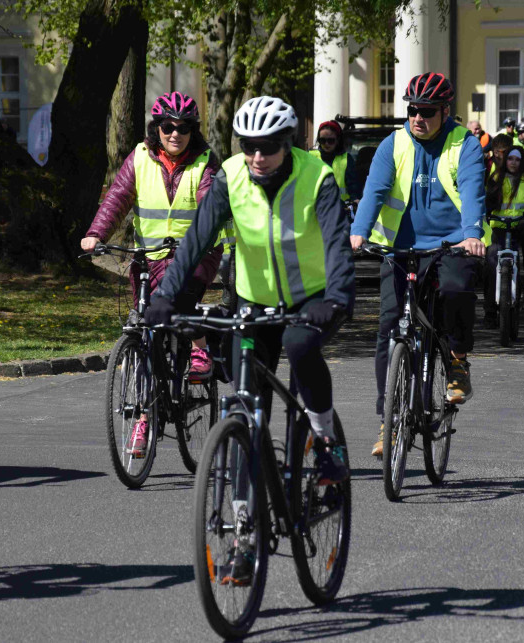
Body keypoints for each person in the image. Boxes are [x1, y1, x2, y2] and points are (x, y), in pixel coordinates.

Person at [144, 95, 353, 489]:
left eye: (269, 147)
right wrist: (165, 295)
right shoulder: (231, 176)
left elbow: (337, 245)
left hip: (312, 297)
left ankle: (326, 439)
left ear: (288, 142)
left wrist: (337, 298)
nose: (257, 156)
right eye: (248, 146)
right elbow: (196, 240)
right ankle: (248, 504)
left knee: (300, 347)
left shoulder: (316, 178)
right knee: (248, 398)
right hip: (253, 299)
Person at [349, 72, 487, 456]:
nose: (417, 118)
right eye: (412, 110)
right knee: (389, 331)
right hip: (399, 248)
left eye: (426, 111)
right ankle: (389, 423)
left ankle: (457, 359)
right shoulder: (393, 144)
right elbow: (374, 189)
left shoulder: (465, 145)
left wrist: (473, 234)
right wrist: (359, 231)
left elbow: (474, 190)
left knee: (458, 290)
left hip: (453, 245)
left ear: (445, 111)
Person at [81, 92, 221, 449]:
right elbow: (117, 198)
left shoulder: (205, 162)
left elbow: (209, 208)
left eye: (184, 128)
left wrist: (196, 243)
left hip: (196, 255)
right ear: (156, 128)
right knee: (145, 329)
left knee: (180, 302)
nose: (176, 134)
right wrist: (97, 234)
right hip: (150, 257)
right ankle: (145, 417)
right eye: (168, 126)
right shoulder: (140, 158)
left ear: (194, 132)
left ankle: (200, 348)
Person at [483, 146, 524, 325]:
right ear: (506, 161)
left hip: (522, 223)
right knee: (491, 262)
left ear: (523, 162)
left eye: (517, 160)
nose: (513, 163)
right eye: (510, 159)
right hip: (499, 225)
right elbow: (487, 200)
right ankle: (490, 312)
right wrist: (483, 213)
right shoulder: (496, 177)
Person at [309, 120, 361, 201]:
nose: (326, 144)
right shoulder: (310, 156)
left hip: (341, 209)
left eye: (330, 141)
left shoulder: (346, 159)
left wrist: (355, 201)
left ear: (337, 140)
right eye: (322, 140)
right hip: (315, 208)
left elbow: (354, 188)